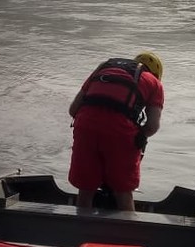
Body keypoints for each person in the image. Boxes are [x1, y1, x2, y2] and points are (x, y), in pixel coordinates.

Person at [67, 52, 165, 211]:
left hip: (85, 126)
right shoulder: (154, 83)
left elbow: (73, 110)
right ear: (156, 74)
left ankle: (80, 230)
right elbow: (152, 126)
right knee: (123, 192)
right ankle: (127, 233)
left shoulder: (103, 67)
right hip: (120, 132)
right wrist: (139, 137)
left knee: (85, 190)